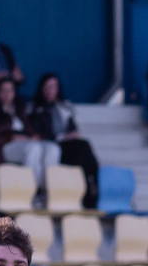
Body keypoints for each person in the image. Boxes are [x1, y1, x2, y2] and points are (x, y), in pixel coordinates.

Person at [30, 73, 100, 209]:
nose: (51, 90)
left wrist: (72, 134)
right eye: (48, 87)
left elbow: (72, 127)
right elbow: (39, 133)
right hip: (51, 145)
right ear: (42, 89)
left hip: (67, 145)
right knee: (82, 149)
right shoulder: (36, 109)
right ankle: (91, 185)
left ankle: (90, 183)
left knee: (83, 147)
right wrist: (62, 137)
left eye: (54, 87)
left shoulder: (64, 107)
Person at [0, 77, 58, 185]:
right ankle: (31, 189)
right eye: (3, 90)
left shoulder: (19, 109)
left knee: (52, 148)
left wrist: (34, 136)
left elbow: (28, 129)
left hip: (25, 142)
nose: (7, 94)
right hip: (4, 146)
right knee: (33, 149)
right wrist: (10, 138)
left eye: (10, 90)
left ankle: (49, 189)